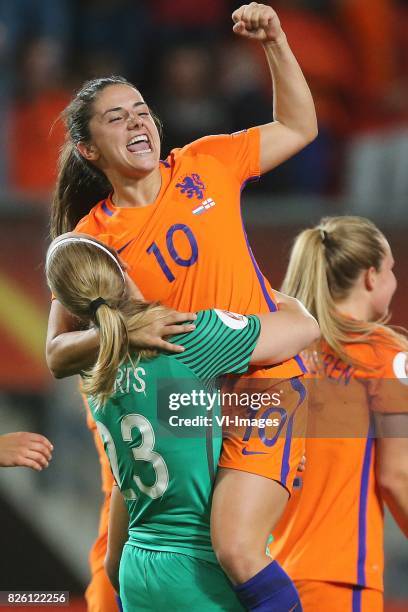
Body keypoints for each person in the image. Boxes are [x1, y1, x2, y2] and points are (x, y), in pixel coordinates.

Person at [46, 4, 318, 610]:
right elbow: (56, 352)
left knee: (235, 548)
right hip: (185, 404)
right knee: (159, 561)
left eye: (142, 109)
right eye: (117, 118)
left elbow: (300, 127)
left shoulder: (209, 162)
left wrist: (274, 40)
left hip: (258, 378)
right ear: (90, 150)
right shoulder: (92, 239)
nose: (138, 122)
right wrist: (130, 332)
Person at [45, 232, 319, 611]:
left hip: (135, 568)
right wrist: (251, 288)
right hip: (199, 570)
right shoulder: (186, 337)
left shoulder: (92, 372)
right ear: (123, 269)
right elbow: (304, 328)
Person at [269, 216, 408, 611]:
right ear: (371, 277)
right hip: (339, 577)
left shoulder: (279, 353)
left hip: (263, 576)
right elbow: (397, 477)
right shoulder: (383, 354)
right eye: (392, 270)